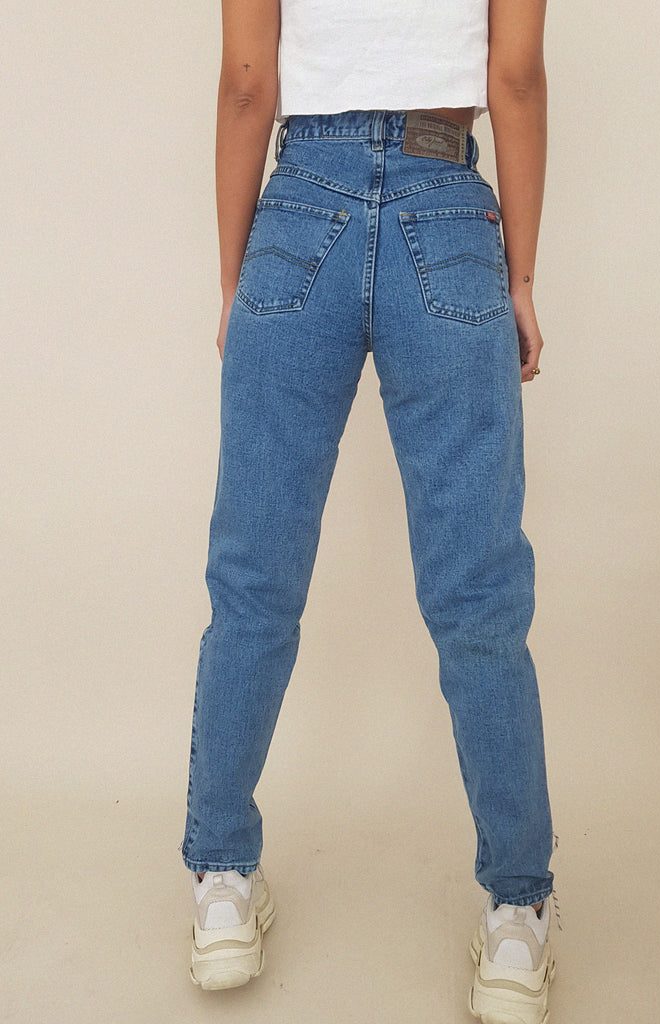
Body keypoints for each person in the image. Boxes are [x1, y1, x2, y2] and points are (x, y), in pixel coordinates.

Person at [181, 0, 556, 1020]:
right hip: (448, 204)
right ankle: (517, 918)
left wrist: (236, 279)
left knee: (253, 580)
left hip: (300, 211)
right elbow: (516, 78)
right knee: (479, 598)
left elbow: (248, 85)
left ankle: (222, 883)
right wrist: (521, 278)